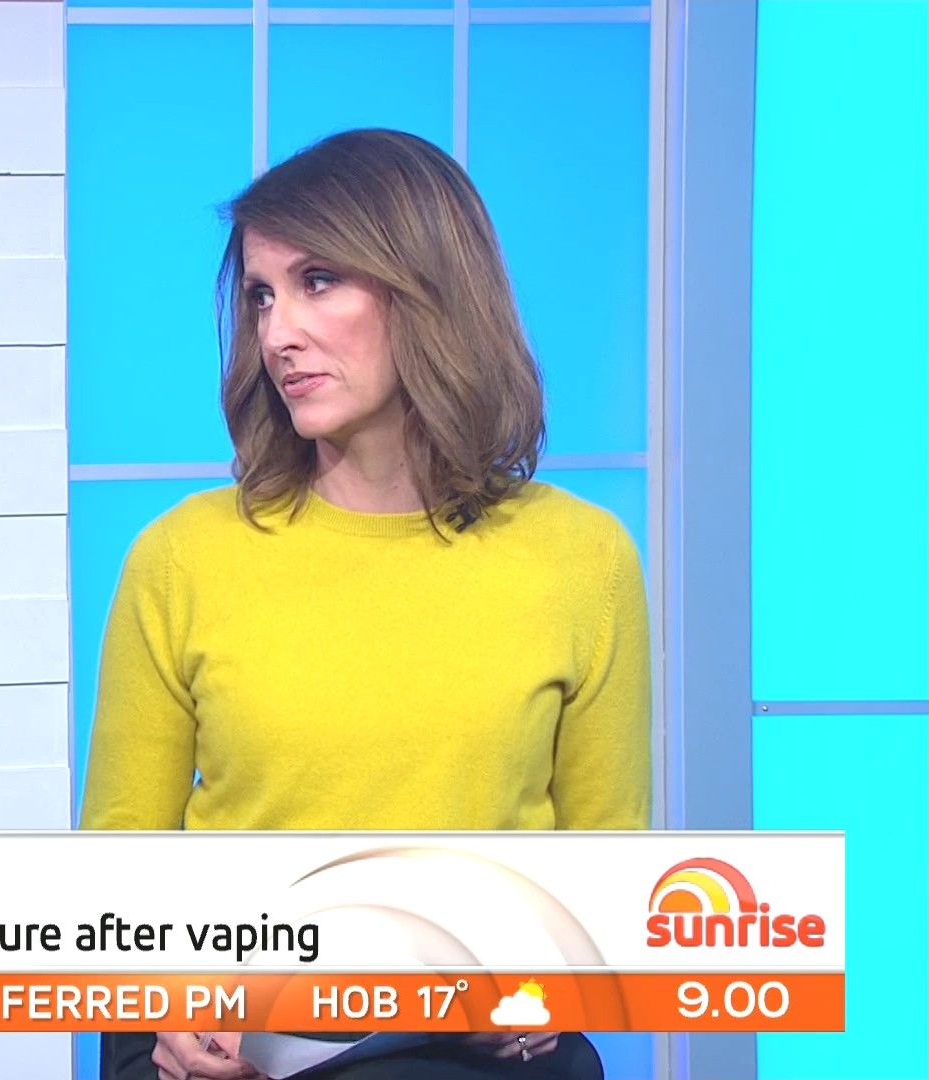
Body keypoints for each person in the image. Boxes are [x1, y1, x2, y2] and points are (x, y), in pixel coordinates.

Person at [80, 129, 648, 1080]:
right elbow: (123, 871)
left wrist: (544, 985)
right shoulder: (182, 557)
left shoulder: (582, 559)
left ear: (430, 289)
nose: (277, 333)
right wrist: (173, 1013)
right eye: (261, 296)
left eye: (317, 281)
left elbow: (601, 879)